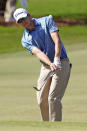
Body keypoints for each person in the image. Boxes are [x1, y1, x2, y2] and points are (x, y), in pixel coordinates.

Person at [13, 8, 72, 121]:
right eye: (20, 21)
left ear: (29, 15)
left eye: (24, 18)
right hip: (46, 66)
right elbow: (39, 53)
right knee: (41, 99)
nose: (24, 22)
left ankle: (55, 127)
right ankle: (46, 126)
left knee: (53, 98)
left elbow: (57, 40)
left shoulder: (46, 21)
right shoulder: (25, 39)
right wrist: (50, 63)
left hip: (62, 62)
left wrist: (56, 58)